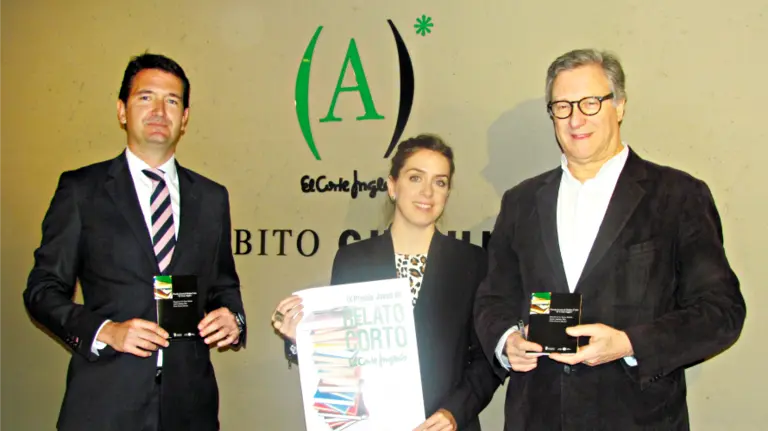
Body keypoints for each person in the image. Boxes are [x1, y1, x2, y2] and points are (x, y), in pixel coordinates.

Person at [473, 48, 746, 430]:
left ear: (618, 106)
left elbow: (722, 312)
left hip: (638, 418)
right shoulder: (520, 202)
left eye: (590, 102)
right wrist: (506, 341)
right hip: (537, 416)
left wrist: (630, 343)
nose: (576, 118)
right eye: (563, 106)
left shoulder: (678, 196)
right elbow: (493, 298)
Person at [23, 53, 247, 431]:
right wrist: (106, 330)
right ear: (122, 111)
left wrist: (232, 318)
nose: (160, 110)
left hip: (190, 408)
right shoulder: (82, 191)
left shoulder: (212, 199)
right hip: (104, 404)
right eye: (146, 97)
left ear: (185, 118)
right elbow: (42, 290)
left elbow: (223, 285)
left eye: (172, 101)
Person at [272, 134, 500, 431]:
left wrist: (453, 413)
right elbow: (340, 359)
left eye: (440, 182)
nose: (427, 192)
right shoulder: (352, 260)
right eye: (416, 178)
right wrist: (301, 339)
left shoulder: (472, 262)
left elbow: (488, 360)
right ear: (393, 186)